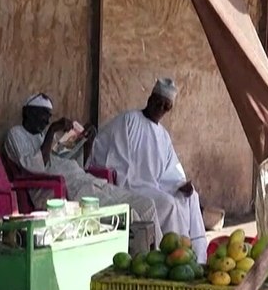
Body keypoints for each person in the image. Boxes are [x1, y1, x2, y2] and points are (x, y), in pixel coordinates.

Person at [89, 78, 208, 261]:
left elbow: (170, 171)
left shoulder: (163, 135)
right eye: (158, 102)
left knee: (190, 197)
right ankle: (176, 257)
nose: (161, 108)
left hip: (156, 185)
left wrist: (180, 185)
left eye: (166, 106)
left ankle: (199, 258)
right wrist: (128, 181)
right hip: (130, 185)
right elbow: (114, 157)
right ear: (150, 98)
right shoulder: (128, 120)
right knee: (168, 204)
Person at [4, 94, 157, 225]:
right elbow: (35, 168)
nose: (46, 121)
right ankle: (138, 256)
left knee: (146, 205)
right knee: (128, 215)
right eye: (42, 114)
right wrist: (52, 130)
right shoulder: (15, 134)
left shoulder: (42, 137)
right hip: (66, 191)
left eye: (49, 116)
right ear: (27, 112)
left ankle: (159, 252)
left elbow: (77, 164)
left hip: (88, 182)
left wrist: (86, 142)